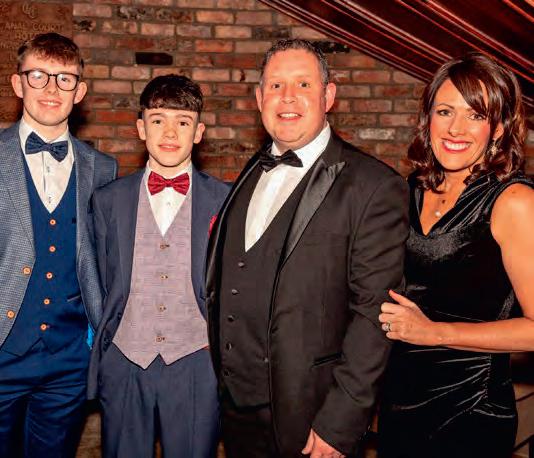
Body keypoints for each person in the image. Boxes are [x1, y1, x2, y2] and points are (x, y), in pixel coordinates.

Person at [206, 38, 409, 458]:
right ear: (259, 98)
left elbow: (374, 315)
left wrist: (340, 421)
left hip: (313, 416)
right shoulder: (252, 168)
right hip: (235, 411)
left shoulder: (374, 187)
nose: (287, 97)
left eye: (303, 84)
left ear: (328, 96)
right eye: (276, 86)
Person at [378, 53, 534, 458]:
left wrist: (435, 333)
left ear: (499, 128)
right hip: (399, 404)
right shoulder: (411, 189)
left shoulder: (514, 201)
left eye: (476, 115)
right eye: (445, 111)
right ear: (427, 117)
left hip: (470, 410)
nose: (455, 128)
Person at [87, 74, 229, 458]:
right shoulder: (108, 200)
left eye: (183, 122)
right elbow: (99, 279)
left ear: (198, 132)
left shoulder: (226, 200)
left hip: (196, 361)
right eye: (157, 120)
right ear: (140, 129)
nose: (169, 132)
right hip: (125, 359)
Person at [0, 32, 117, 458]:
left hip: (69, 362)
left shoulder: (102, 168)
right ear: (18, 84)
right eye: (39, 75)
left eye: (64, 78)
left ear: (79, 92)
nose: (51, 88)